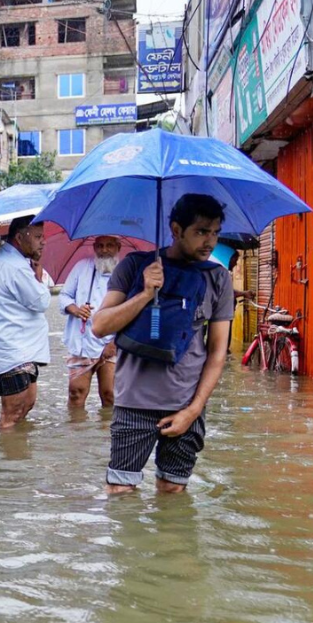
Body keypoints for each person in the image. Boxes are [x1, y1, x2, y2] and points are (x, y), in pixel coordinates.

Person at [92, 194, 234, 495]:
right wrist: (144, 294)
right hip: (134, 403)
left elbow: (217, 353)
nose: (209, 242)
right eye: (200, 232)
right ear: (176, 229)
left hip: (186, 403)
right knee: (120, 493)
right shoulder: (135, 266)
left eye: (215, 233)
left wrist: (193, 410)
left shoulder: (218, 279)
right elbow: (99, 325)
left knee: (172, 493)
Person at [0, 215, 50, 429]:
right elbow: (41, 301)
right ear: (21, 237)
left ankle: (17, 458)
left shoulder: (13, 261)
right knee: (11, 416)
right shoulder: (15, 266)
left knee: (26, 405)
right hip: (15, 350)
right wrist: (38, 276)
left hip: (22, 349)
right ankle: (7, 459)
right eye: (38, 236)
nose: (43, 241)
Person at [59, 236, 122, 409]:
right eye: (100, 246)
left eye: (109, 245)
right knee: (76, 392)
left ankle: (108, 435)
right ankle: (75, 433)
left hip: (112, 343)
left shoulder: (126, 272)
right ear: (94, 248)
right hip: (82, 340)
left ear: (118, 247)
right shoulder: (82, 267)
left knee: (110, 395)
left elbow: (133, 312)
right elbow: (64, 296)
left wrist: (115, 342)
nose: (104, 250)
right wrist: (76, 310)